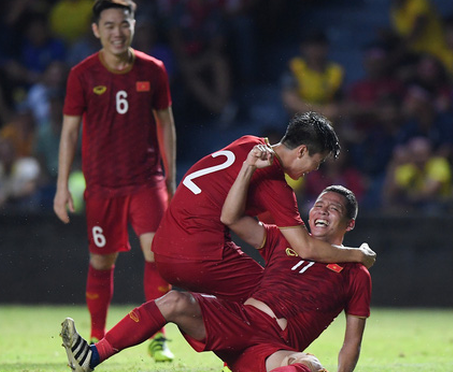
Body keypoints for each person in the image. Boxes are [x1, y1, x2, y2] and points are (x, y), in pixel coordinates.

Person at [61, 147, 372, 372]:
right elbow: (232, 218)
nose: (322, 212)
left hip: (272, 348)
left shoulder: (356, 273)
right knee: (175, 301)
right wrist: (248, 168)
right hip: (239, 323)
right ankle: (92, 355)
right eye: (319, 204)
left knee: (311, 364)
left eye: (333, 210)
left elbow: (352, 339)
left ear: (349, 223)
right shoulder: (282, 238)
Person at [54, 0, 177, 362]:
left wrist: (170, 179)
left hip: (146, 180)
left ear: (134, 26)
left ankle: (158, 336)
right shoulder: (82, 74)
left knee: (157, 254)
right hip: (102, 185)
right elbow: (70, 133)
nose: (118, 31)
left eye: (124, 23)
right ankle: (95, 336)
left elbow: (166, 124)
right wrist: (62, 186)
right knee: (101, 261)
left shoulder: (153, 70)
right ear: (96, 30)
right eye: (109, 25)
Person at [152, 111, 375, 303]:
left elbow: (276, 230)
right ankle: (188, 310)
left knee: (253, 300)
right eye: (317, 162)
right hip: (198, 257)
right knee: (276, 297)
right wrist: (357, 254)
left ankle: (180, 308)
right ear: (301, 151)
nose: (314, 169)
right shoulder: (275, 186)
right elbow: (305, 248)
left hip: (162, 253)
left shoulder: (248, 142)